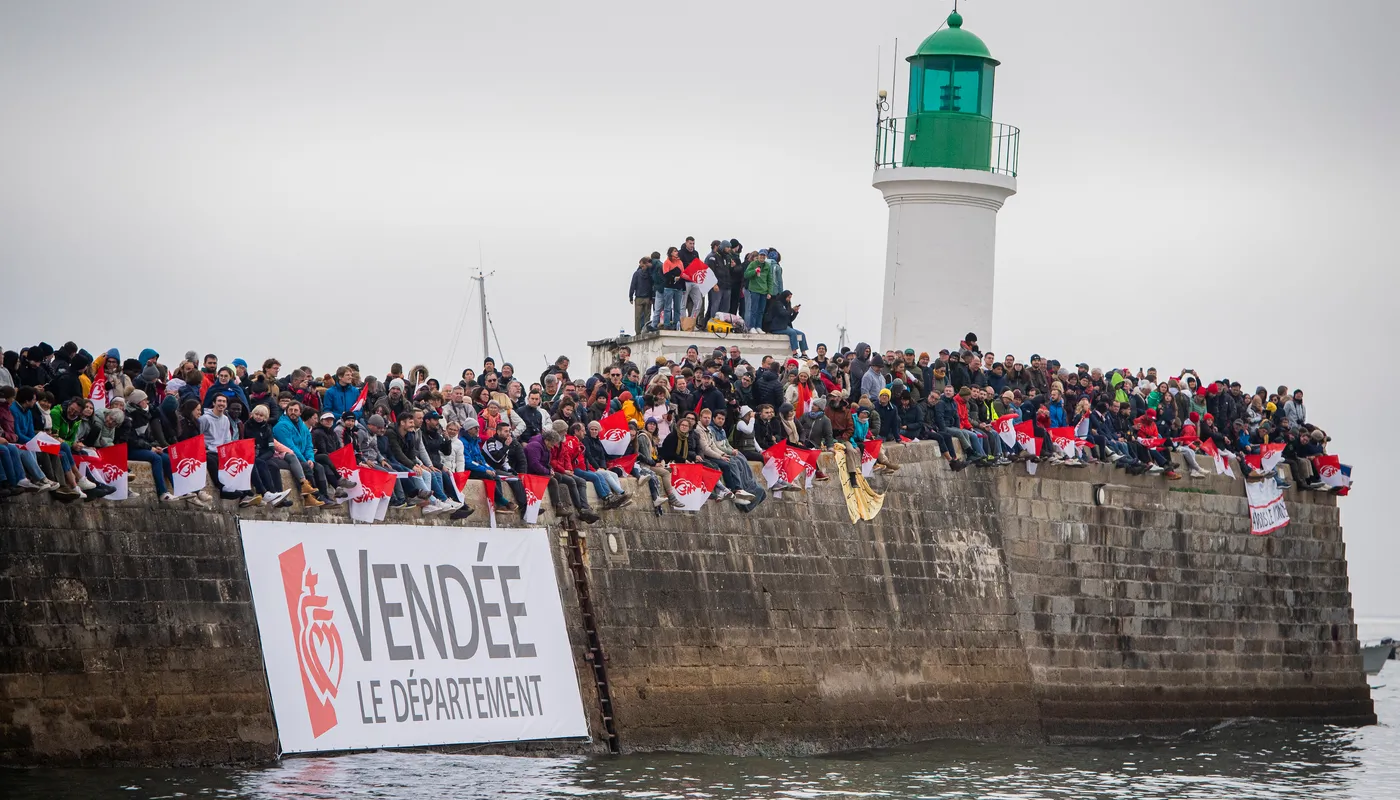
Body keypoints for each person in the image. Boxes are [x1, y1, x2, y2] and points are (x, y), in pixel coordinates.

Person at [762, 290, 808, 356]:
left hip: (784, 326)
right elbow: (782, 313)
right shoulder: (777, 303)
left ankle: (804, 353)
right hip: (777, 327)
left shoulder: (787, 305)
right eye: (788, 297)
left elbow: (790, 319)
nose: (789, 299)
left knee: (802, 334)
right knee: (792, 333)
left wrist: (795, 312)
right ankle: (794, 352)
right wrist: (792, 310)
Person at [742, 250, 773, 332]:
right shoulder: (753, 264)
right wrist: (754, 271)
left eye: (764, 256)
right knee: (754, 309)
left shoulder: (767, 266)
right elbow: (746, 274)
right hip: (754, 290)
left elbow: (769, 279)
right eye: (761, 255)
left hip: (764, 290)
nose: (762, 257)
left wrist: (769, 292)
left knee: (761, 310)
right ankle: (752, 327)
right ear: (758, 256)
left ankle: (758, 326)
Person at [628, 256, 654, 335]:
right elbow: (652, 286)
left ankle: (638, 332)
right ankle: (645, 331)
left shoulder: (636, 274)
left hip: (639, 297)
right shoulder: (650, 274)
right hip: (648, 298)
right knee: (647, 316)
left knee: (637, 317)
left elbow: (633, 285)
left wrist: (631, 297)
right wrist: (651, 297)